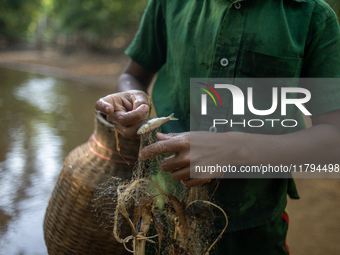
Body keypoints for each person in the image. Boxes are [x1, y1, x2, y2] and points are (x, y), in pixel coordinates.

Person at [95, 0, 340, 254]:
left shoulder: (312, 15)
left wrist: (235, 150)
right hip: (160, 212)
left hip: (252, 228)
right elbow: (132, 75)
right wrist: (132, 99)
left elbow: (334, 140)